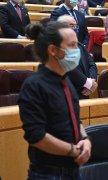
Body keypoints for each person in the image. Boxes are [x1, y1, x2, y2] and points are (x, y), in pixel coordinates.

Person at [19, 21, 91, 179]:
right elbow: (36, 136)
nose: (77, 51)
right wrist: (72, 150)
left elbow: (74, 119)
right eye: (72, 45)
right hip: (48, 173)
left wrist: (85, 140)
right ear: (53, 50)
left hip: (72, 170)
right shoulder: (34, 86)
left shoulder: (66, 80)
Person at [57, 15, 98, 99]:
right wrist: (88, 83)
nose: (75, 28)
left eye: (76, 26)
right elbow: (67, 67)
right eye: (72, 26)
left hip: (85, 91)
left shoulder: (79, 45)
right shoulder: (57, 46)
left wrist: (92, 80)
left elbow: (91, 64)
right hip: (67, 92)